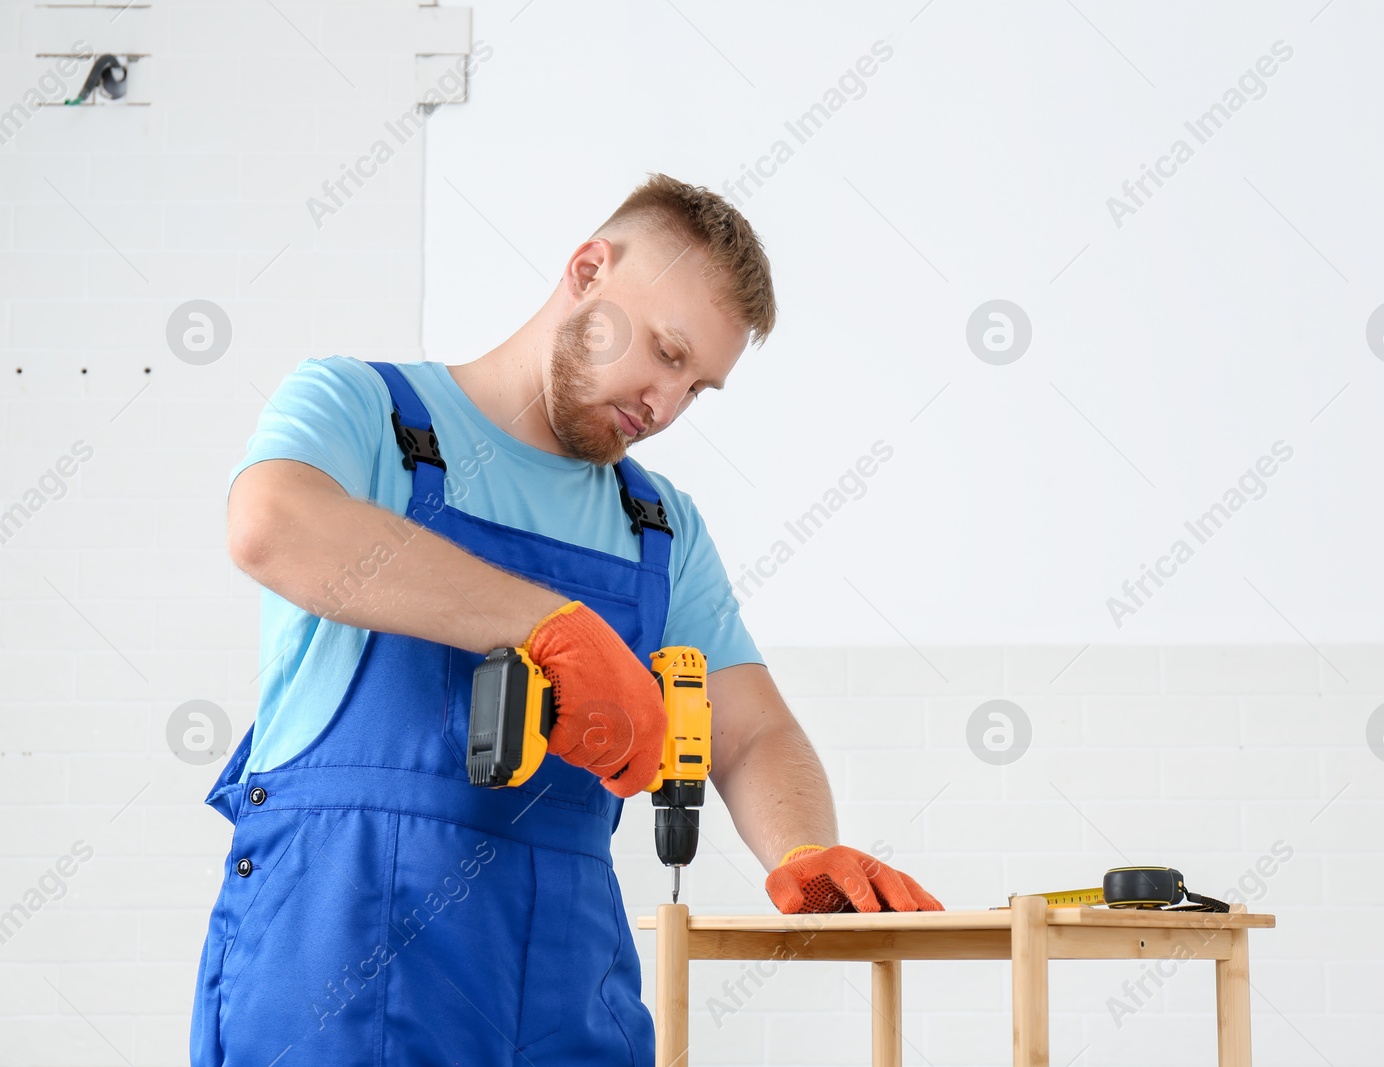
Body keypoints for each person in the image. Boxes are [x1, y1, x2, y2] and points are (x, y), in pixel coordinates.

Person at [189, 172, 941, 1067]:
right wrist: (548, 625)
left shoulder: (657, 524)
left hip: (559, 1007)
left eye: (697, 387)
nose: (665, 405)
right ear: (588, 270)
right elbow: (272, 524)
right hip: (332, 990)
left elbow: (750, 731)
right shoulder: (367, 415)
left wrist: (806, 846)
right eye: (665, 353)